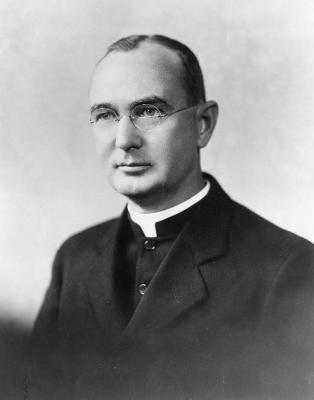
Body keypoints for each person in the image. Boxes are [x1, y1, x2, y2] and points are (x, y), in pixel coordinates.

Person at [30, 34, 314, 400]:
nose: (124, 139)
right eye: (106, 115)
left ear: (203, 124)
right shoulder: (74, 258)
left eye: (148, 111)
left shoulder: (287, 268)